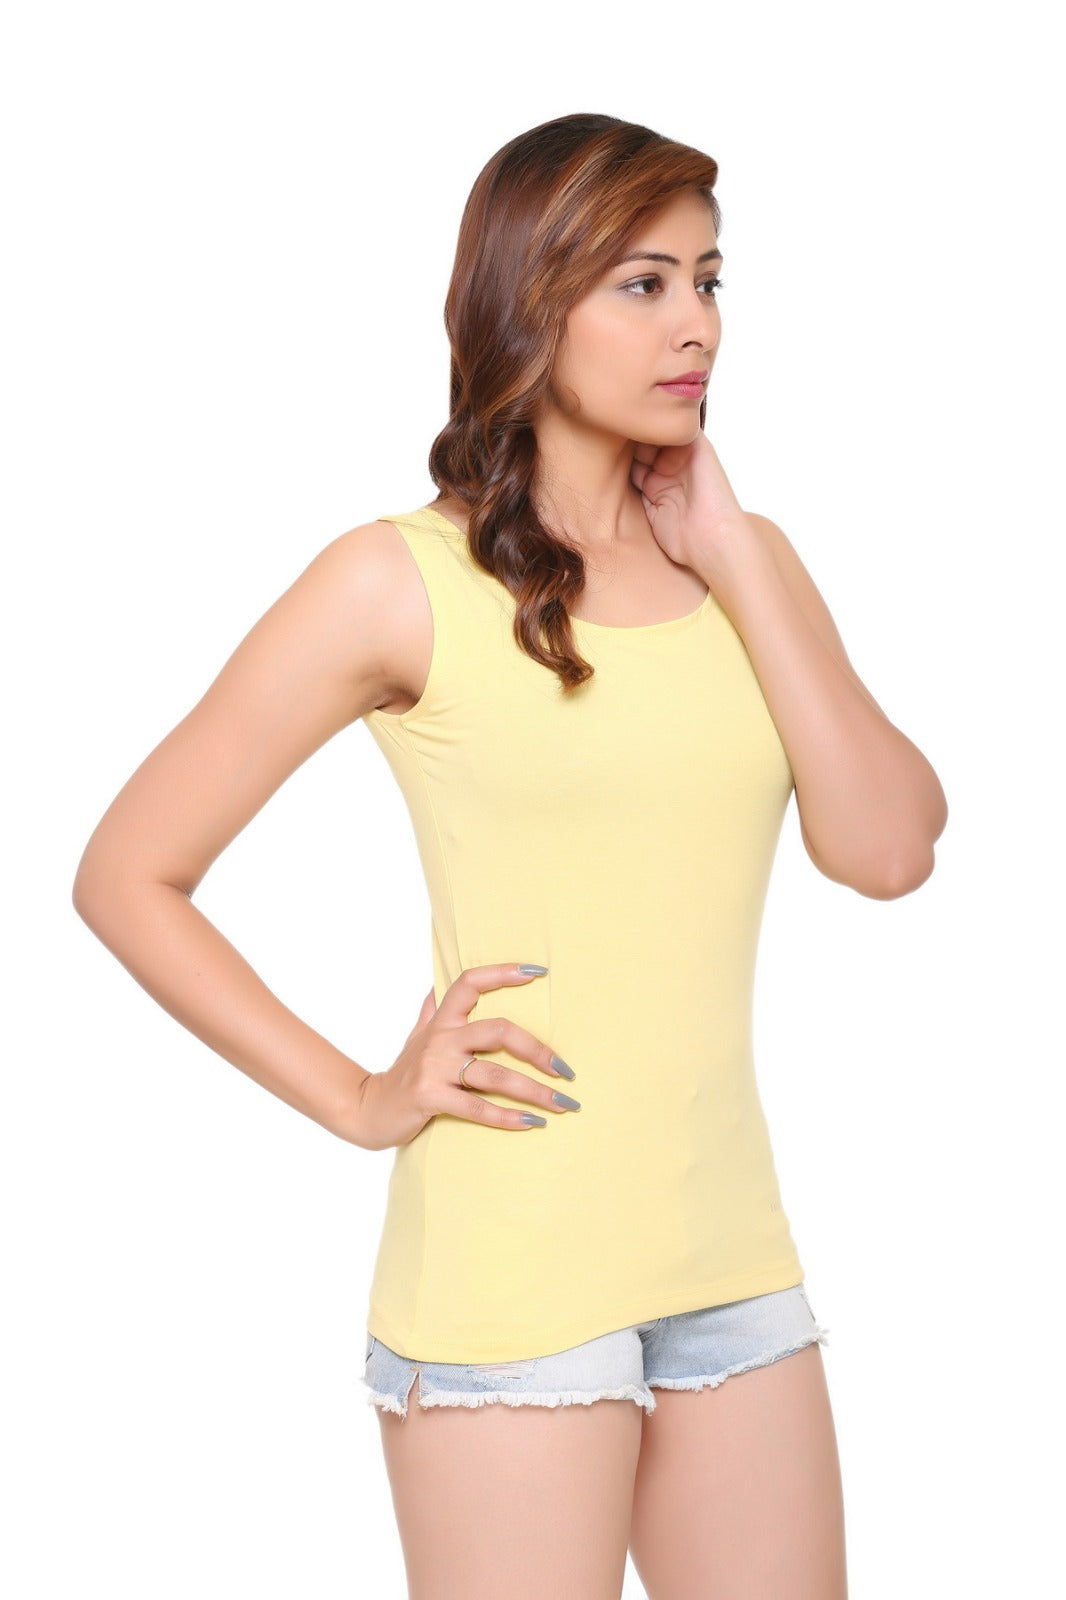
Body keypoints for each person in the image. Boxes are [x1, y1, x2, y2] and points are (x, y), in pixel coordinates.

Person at [73, 111, 948, 1599]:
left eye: (709, 281)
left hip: (733, 1267)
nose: (695, 326)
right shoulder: (396, 580)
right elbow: (126, 874)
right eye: (643, 284)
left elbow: (887, 849)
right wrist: (360, 1097)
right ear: (529, 302)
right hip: (510, 1281)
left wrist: (736, 554)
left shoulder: (747, 563)